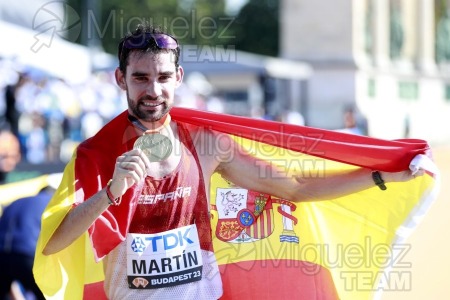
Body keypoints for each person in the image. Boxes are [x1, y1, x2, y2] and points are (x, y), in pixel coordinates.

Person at [41, 23, 420, 299]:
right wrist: (109, 193)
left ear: (179, 78)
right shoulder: (95, 154)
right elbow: (54, 243)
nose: (153, 90)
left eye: (163, 77)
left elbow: (294, 187)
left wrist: (380, 173)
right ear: (120, 79)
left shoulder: (205, 145)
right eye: (140, 77)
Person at [0, 173, 62, 300]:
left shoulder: (17, 201)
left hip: (2, 255)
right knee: (46, 295)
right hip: (28, 254)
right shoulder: (51, 203)